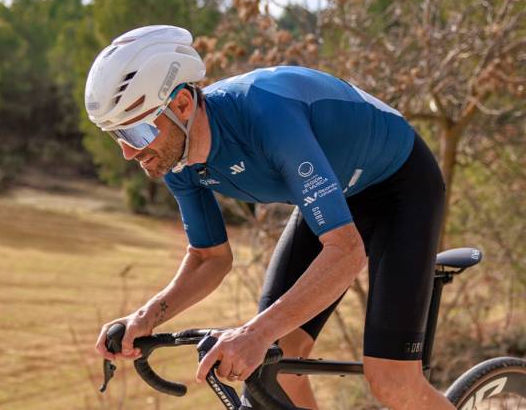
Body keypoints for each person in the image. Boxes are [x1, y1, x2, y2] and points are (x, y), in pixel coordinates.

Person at [87, 25, 452, 410]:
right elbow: (209, 258)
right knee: (279, 367)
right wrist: (146, 318)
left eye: (138, 132)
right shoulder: (178, 160)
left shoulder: (266, 115)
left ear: (181, 105)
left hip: (400, 185)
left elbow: (345, 252)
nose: (129, 152)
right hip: (341, 190)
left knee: (392, 382)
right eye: (117, 136)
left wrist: (255, 333)